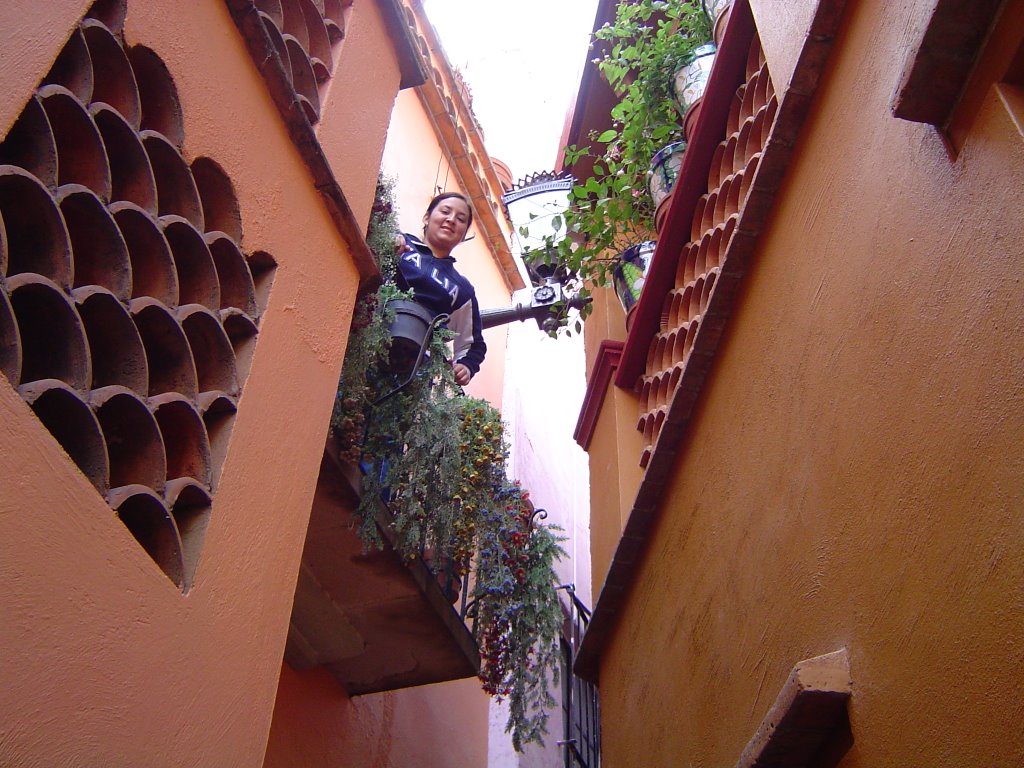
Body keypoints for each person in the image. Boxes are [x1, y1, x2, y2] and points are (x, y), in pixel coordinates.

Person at [394, 192, 486, 386]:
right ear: (427, 218)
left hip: (413, 370)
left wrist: (466, 366)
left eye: (461, 219)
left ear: (462, 236)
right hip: (367, 335)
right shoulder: (400, 242)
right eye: (445, 211)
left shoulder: (462, 290)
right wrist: (388, 246)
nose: (451, 220)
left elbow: (474, 345)